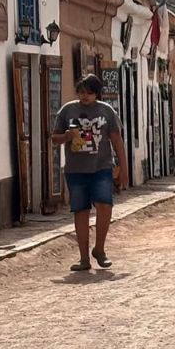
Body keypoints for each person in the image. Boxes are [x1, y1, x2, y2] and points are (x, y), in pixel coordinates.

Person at [52, 74, 129, 271]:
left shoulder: (106, 111)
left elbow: (116, 140)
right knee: (81, 211)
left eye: (90, 93)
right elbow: (54, 138)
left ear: (97, 93)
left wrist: (123, 168)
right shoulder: (67, 111)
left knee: (105, 205)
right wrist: (67, 136)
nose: (85, 96)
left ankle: (100, 249)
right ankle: (83, 257)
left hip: (101, 166)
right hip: (76, 170)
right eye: (82, 92)